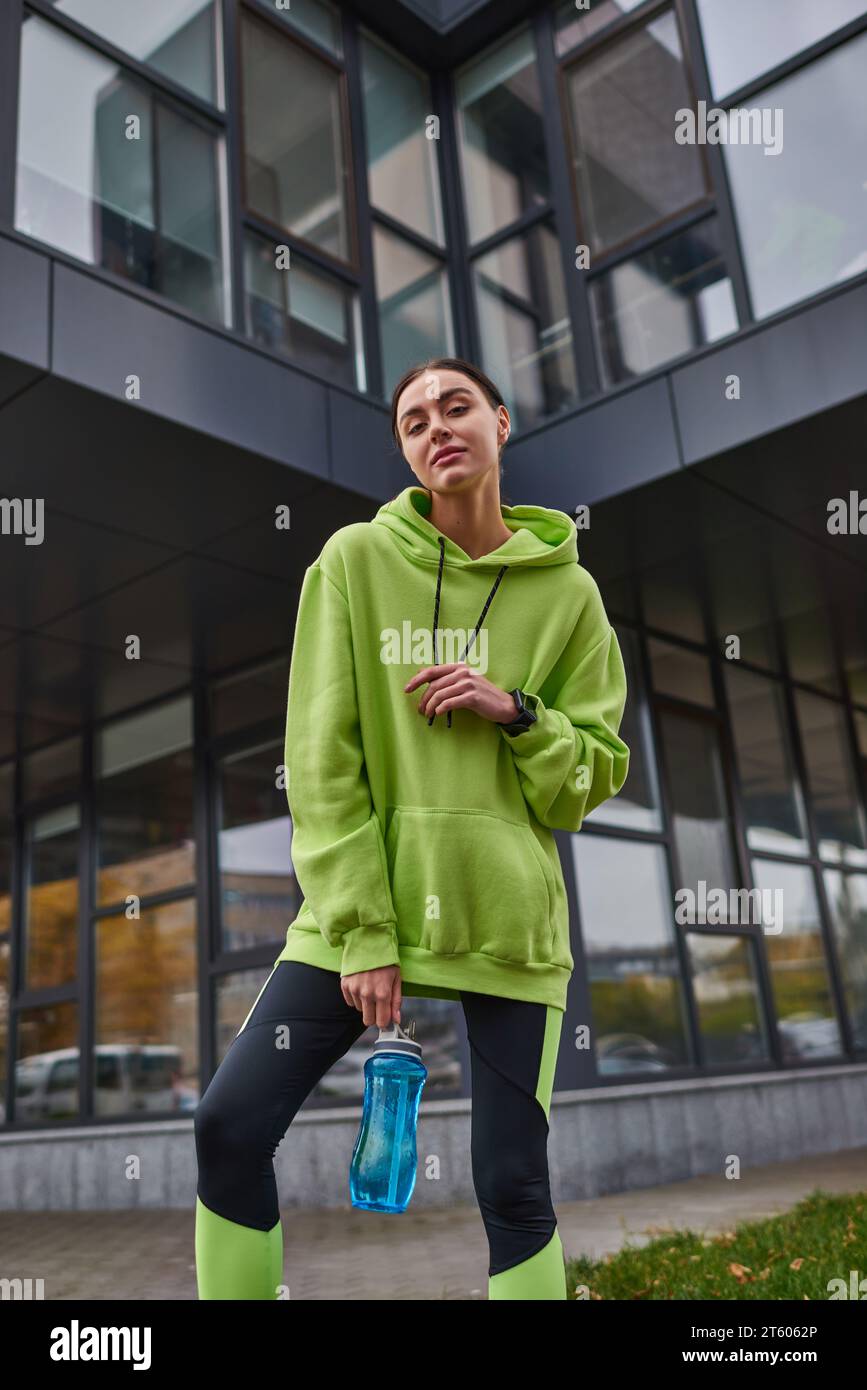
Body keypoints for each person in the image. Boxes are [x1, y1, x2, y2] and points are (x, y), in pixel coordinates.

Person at [194, 355, 630, 1300]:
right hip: (361, 912)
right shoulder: (353, 560)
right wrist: (361, 930)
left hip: (506, 918)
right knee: (228, 1125)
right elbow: (321, 758)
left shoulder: (571, 597)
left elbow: (586, 782)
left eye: (457, 405)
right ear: (405, 449)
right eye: (414, 420)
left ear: (501, 423)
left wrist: (516, 710)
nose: (437, 426)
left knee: (511, 1183)